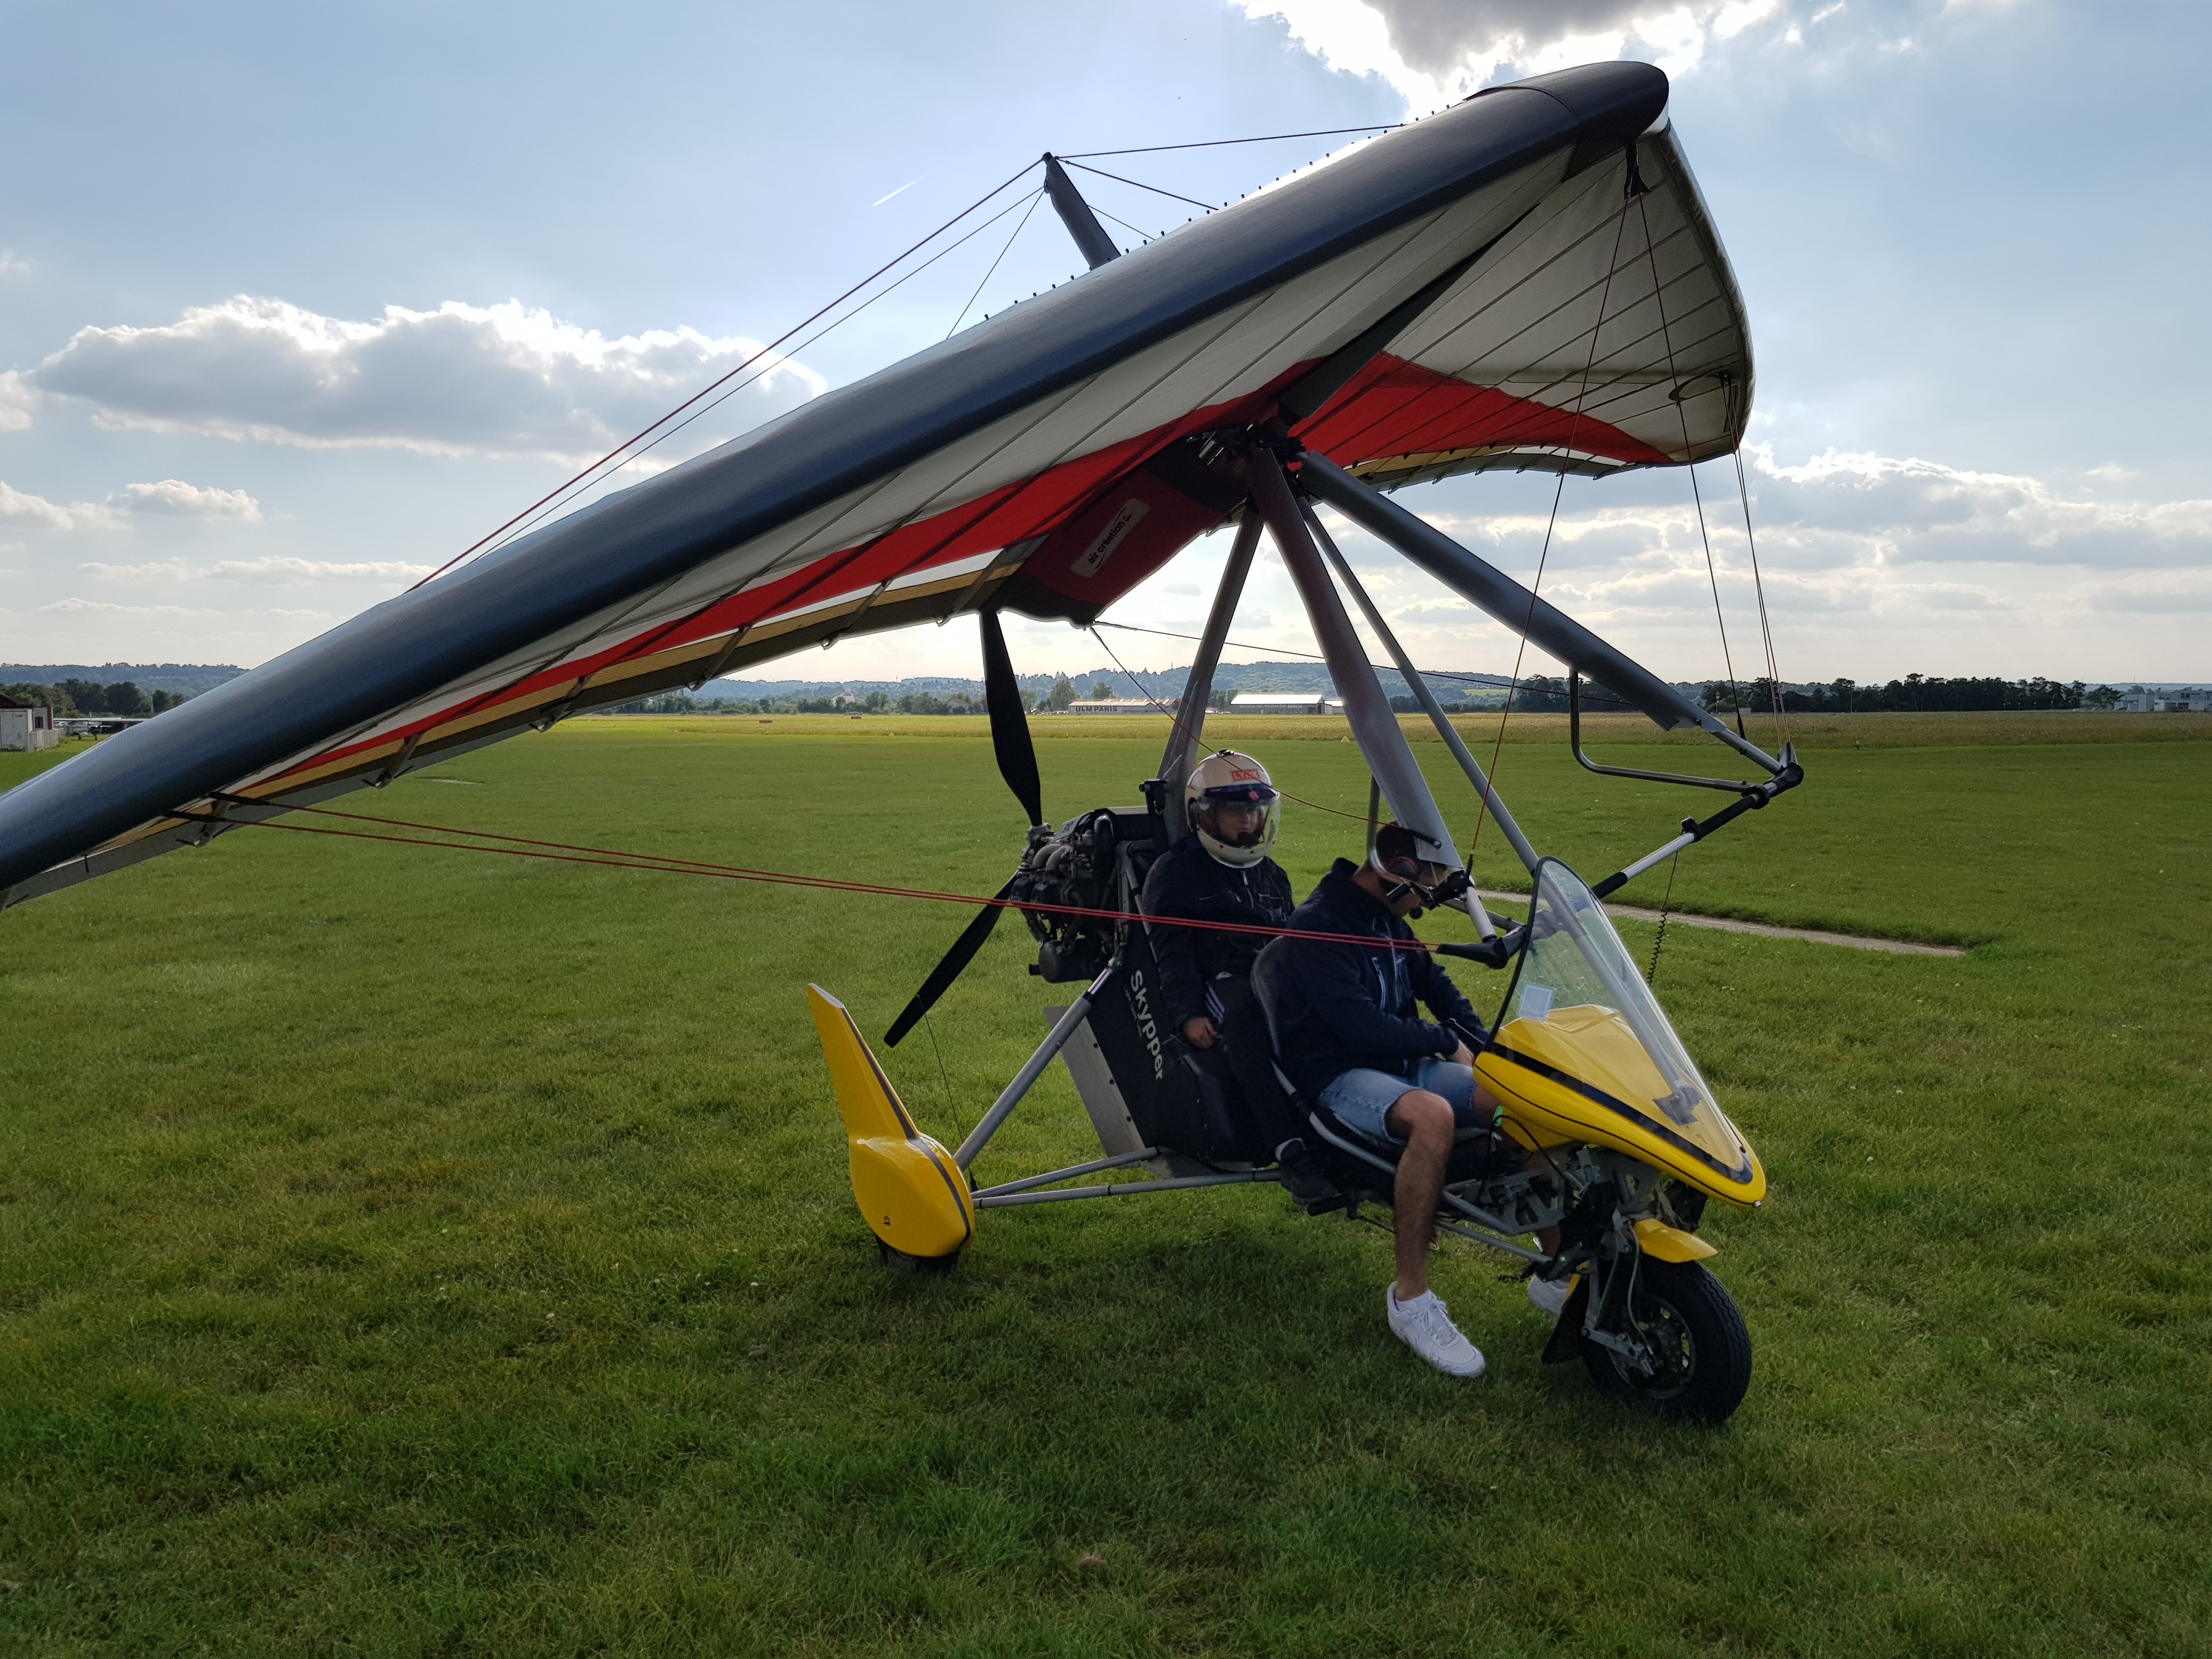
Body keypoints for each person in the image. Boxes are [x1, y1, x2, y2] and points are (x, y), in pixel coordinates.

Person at [1272, 823, 1511, 1378]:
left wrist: (1488, 1051)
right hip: (1342, 1073)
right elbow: (1359, 1029)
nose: (1426, 905)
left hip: (1404, 1065)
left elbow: (1439, 989)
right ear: (1398, 875)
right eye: (1427, 889)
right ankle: (1411, 1300)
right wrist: (1444, 1041)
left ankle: (1559, 1270)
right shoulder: (1317, 926)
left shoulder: (1388, 920)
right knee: (1433, 1116)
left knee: (1518, 1100)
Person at [1139, 751, 1338, 1205]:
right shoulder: (1176, 873)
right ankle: (1290, 1152)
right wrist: (1187, 1015)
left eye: (1255, 810)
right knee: (1248, 1017)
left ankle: (1343, 1128)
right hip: (1221, 979)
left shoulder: (1271, 873)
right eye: (1235, 812)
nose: (1249, 820)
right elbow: (1172, 954)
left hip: (1273, 973)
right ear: (1203, 815)